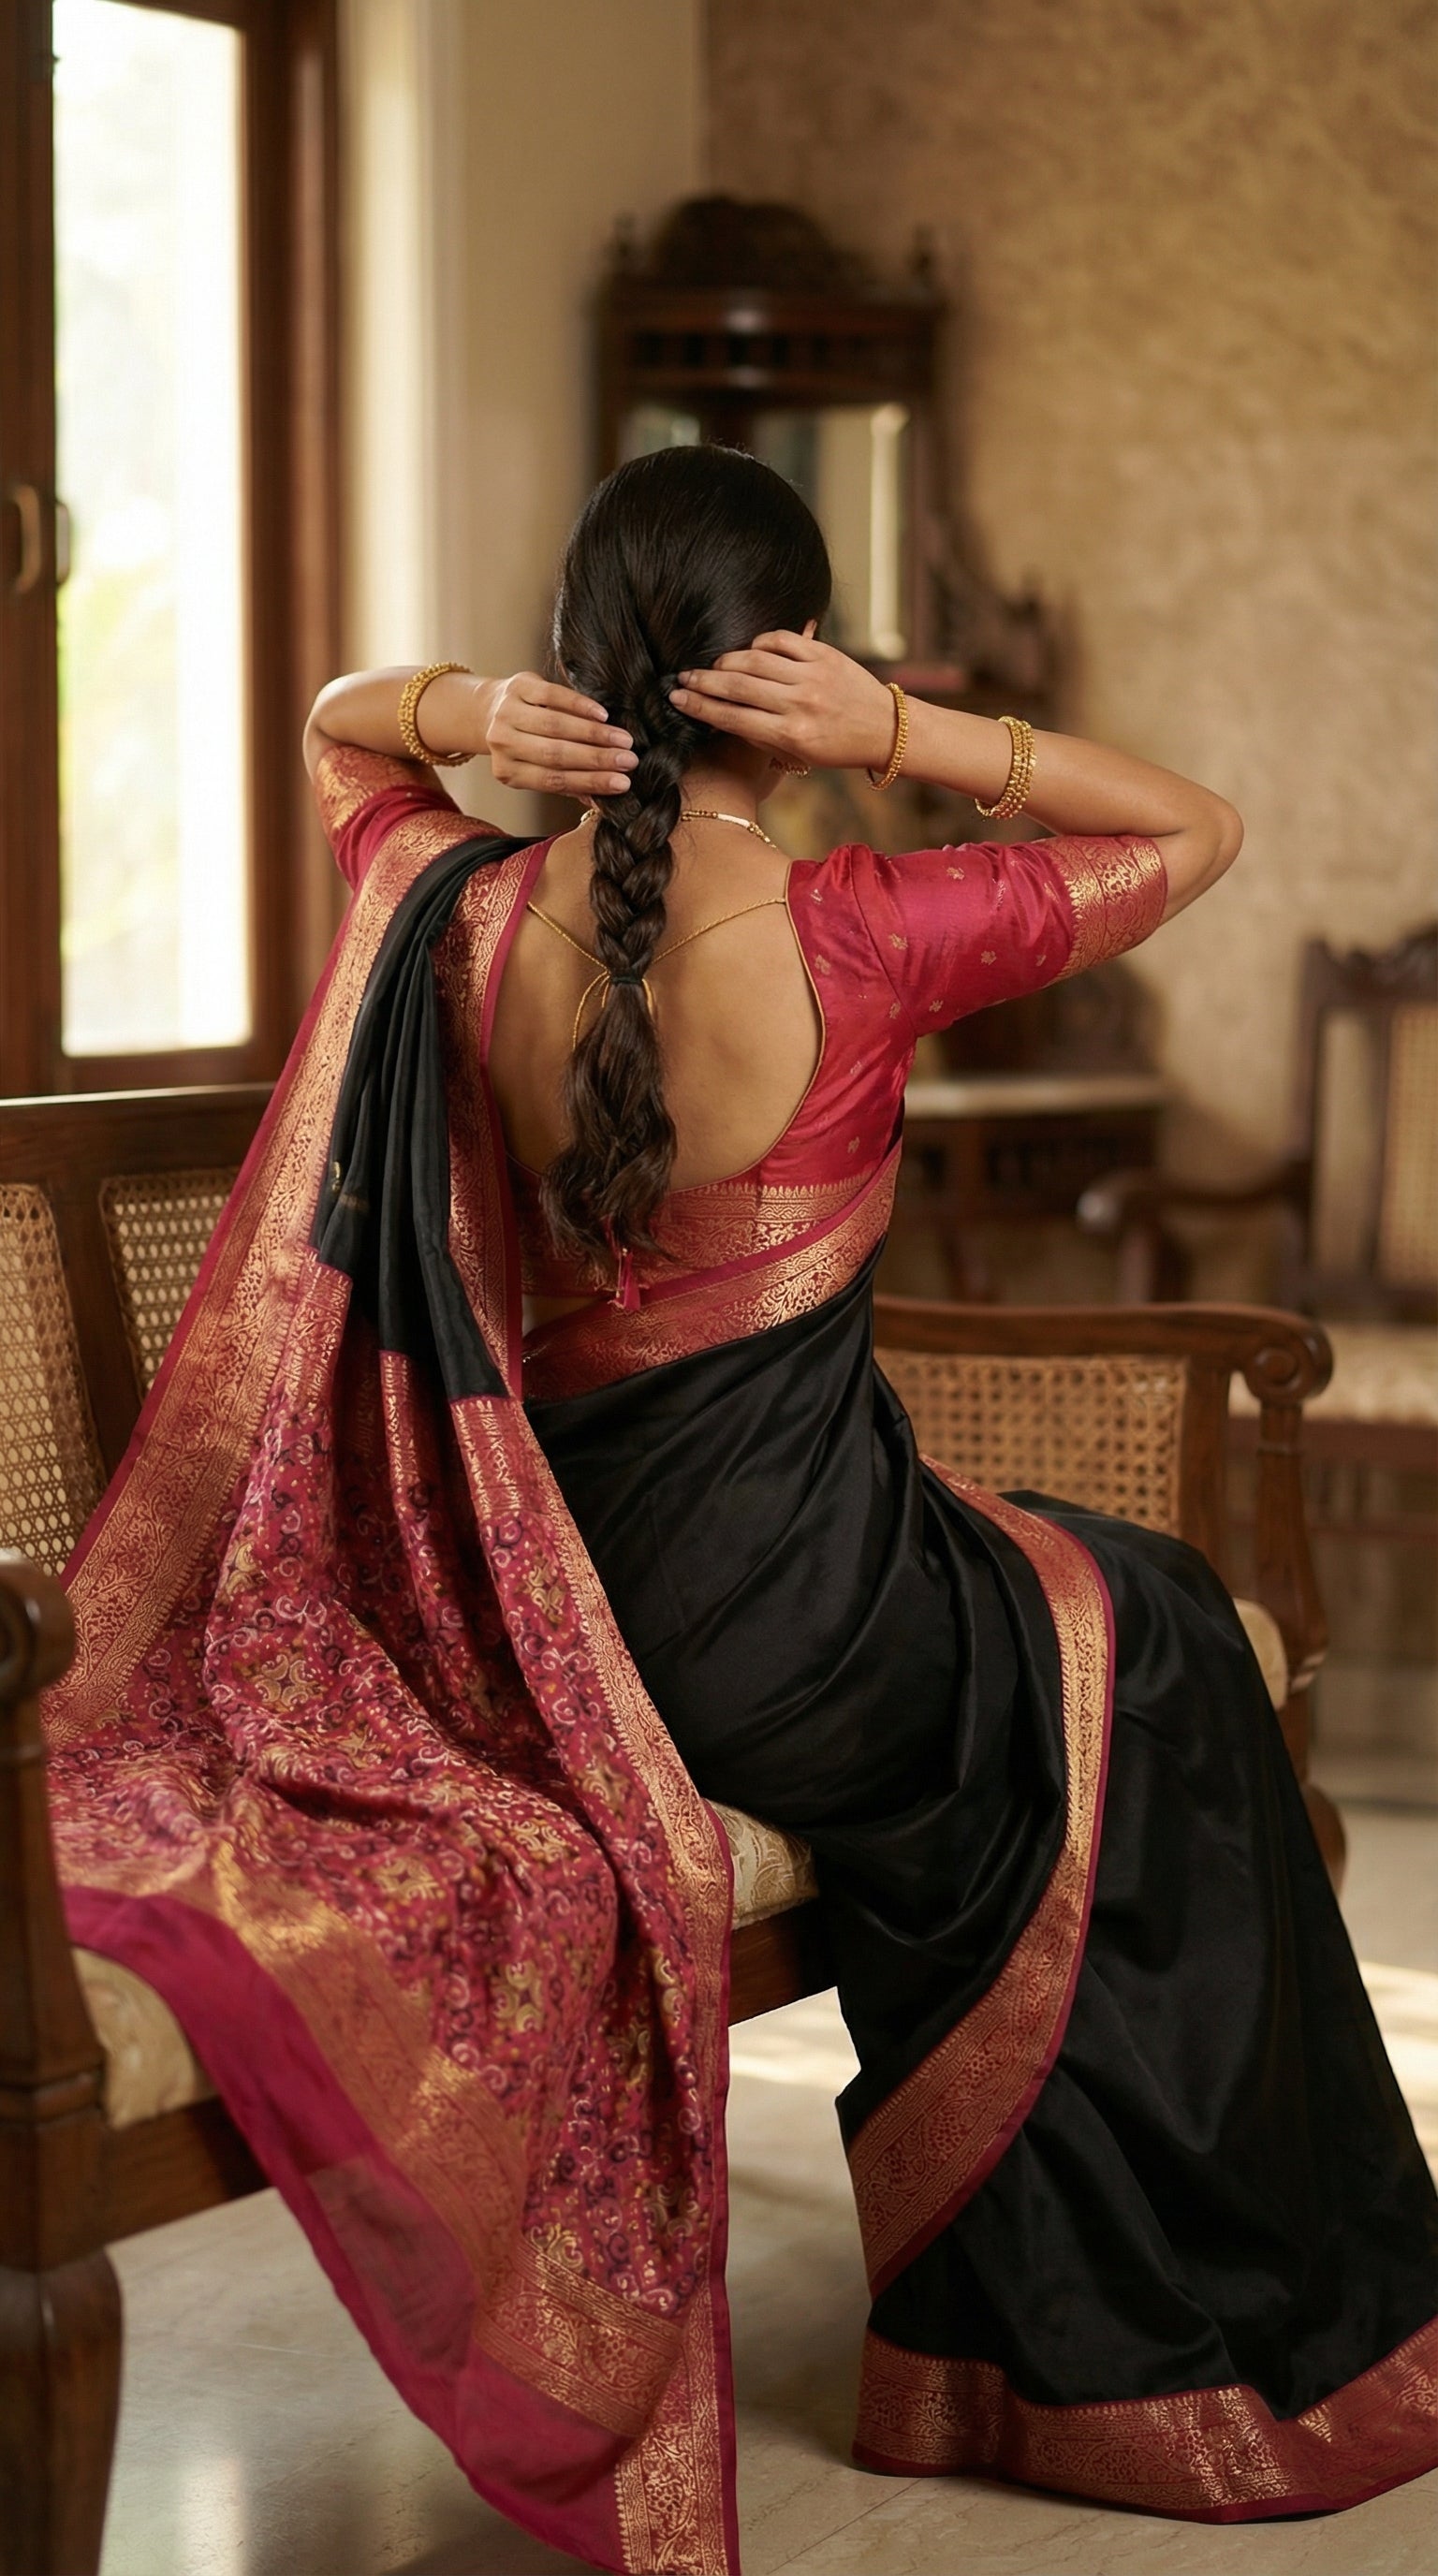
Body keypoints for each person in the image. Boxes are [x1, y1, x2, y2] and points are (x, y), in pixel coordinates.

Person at [50, 447, 1436, 2576]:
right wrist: (903, 733)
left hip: (546, 1619)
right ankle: (1108, 2336)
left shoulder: (457, 907)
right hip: (799, 1635)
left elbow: (338, 728)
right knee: (1145, 1636)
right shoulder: (867, 928)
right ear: (789, 663)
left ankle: (1022, 2308)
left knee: (1112, 1594)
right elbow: (1195, 827)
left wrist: (457, 715)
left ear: (583, 653)